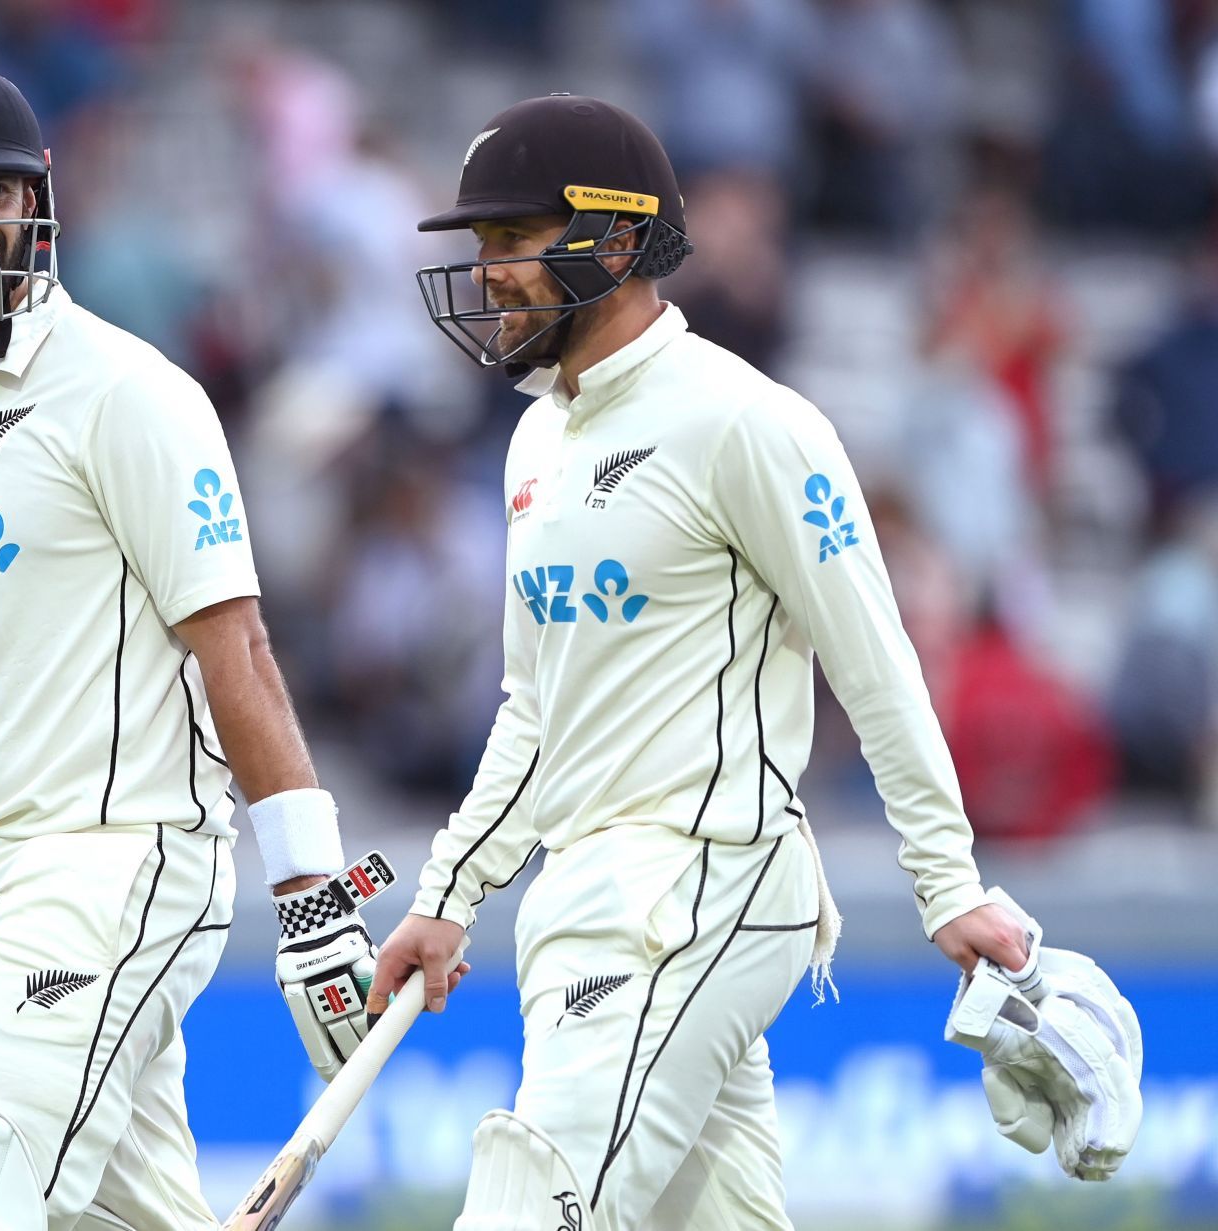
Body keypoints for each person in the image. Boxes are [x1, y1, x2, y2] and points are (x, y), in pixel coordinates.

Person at [373, 95, 1039, 1229]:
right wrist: (448, 893)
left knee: (533, 1207)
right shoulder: (539, 439)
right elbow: (535, 706)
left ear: (617, 242)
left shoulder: (748, 422)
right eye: (477, 246)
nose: (486, 274)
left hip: (704, 879)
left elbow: (872, 660)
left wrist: (949, 882)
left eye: (511, 240)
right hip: (586, 900)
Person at [0, 63, 389, 1231]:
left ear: (37, 200)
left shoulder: (130, 391)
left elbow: (234, 644)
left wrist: (312, 890)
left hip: (117, 861)